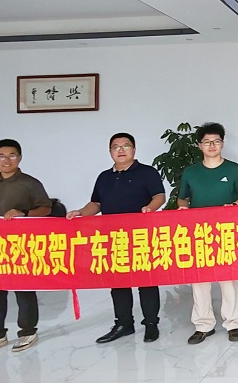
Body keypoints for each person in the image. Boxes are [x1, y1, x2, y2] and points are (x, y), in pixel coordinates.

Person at [66, 133, 165, 343]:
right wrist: (81, 213)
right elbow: (97, 204)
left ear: (134, 150)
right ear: (110, 151)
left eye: (126, 146)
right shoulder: (104, 177)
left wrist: (150, 208)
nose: (121, 150)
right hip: (113, 238)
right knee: (118, 282)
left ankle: (151, 324)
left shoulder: (147, 172)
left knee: (146, 281)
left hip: (141, 236)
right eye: (115, 147)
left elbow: (159, 196)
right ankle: (123, 324)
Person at [177, 122, 238, 344]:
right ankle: (203, 325)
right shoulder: (191, 172)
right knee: (200, 279)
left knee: (228, 278)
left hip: (226, 231)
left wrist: (234, 206)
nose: (212, 145)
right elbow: (182, 198)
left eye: (216, 141)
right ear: (199, 145)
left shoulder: (234, 169)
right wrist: (183, 208)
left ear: (222, 144)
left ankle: (233, 323)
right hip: (198, 232)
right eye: (207, 142)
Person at [0, 139, 52, 354]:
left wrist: (25, 214)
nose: (6, 160)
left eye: (12, 155)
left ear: (19, 158)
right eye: (1, 156)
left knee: (24, 290)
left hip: (21, 246)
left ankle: (28, 331)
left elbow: (46, 208)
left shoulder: (30, 183)